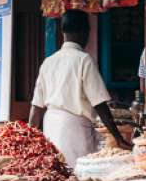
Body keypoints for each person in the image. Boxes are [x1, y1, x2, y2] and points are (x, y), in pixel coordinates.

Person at [28, 9, 133, 165]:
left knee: (56, 173)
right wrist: (117, 137)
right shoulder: (84, 60)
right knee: (77, 174)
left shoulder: (48, 62)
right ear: (84, 31)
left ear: (63, 31)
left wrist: (29, 139)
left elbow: (36, 109)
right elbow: (100, 104)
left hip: (50, 125)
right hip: (74, 128)